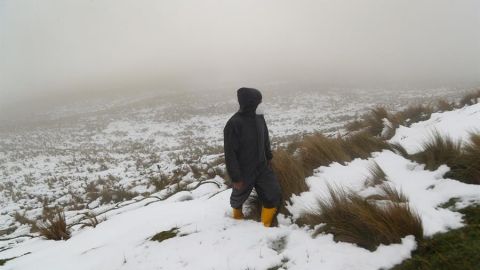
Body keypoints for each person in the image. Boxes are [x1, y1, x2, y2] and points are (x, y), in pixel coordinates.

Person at [223, 87, 282, 227]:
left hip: (262, 166)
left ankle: (265, 226)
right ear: (250, 103)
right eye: (258, 101)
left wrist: (269, 157)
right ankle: (237, 219)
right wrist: (236, 177)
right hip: (244, 170)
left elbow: (265, 138)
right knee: (238, 198)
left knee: (273, 192)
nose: (261, 104)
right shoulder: (233, 124)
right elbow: (230, 154)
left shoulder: (259, 117)